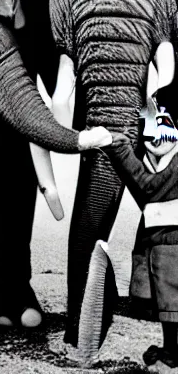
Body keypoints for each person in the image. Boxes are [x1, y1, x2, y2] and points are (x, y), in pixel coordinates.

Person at [103, 95, 178, 372]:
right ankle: (170, 349)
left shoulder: (172, 165)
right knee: (168, 307)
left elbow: (147, 188)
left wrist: (119, 148)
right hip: (157, 243)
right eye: (151, 133)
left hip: (171, 246)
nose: (158, 138)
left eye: (165, 128)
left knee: (172, 302)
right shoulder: (152, 161)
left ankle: (172, 352)